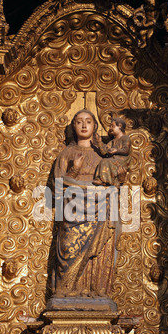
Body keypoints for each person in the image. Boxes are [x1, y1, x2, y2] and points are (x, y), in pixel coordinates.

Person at [49, 109, 120, 311]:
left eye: (88, 121)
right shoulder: (66, 154)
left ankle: (95, 289)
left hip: (100, 211)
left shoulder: (104, 156)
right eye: (79, 121)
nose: (83, 125)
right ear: (73, 126)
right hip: (73, 212)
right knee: (69, 247)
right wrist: (74, 170)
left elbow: (112, 185)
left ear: (94, 126)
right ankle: (65, 291)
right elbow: (58, 188)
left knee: (99, 251)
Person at [92, 117, 131, 187]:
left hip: (122, 161)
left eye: (112, 126)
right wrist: (99, 142)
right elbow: (104, 152)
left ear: (120, 126)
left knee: (107, 161)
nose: (110, 128)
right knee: (104, 161)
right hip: (114, 161)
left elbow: (126, 150)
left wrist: (116, 150)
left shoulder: (125, 138)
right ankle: (103, 179)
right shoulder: (112, 141)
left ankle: (106, 180)